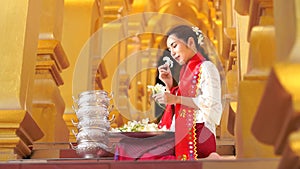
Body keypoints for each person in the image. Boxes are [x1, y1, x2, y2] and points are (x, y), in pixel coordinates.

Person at [152, 25, 223, 160]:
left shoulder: (206, 67)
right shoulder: (186, 72)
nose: (172, 53)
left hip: (199, 134)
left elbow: (211, 103)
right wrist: (170, 85)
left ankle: (209, 160)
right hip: (183, 131)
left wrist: (176, 99)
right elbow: (182, 100)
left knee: (142, 154)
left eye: (174, 46)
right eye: (169, 49)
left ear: (190, 42)